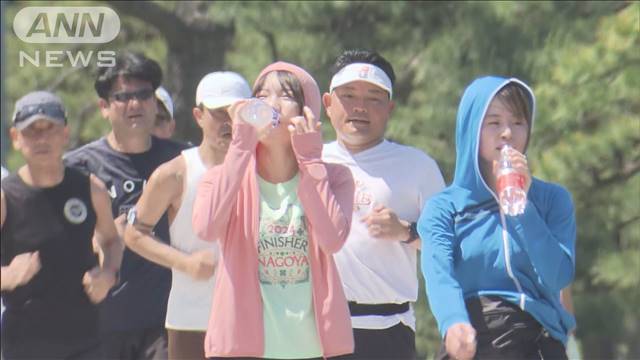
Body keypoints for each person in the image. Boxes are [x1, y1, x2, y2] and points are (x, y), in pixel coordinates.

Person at [192, 61, 355, 359]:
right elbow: (207, 228)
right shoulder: (221, 177)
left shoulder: (335, 178)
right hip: (241, 350)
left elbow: (332, 239)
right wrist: (241, 147)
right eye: (262, 95)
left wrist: (310, 159)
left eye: (287, 95)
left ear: (309, 112)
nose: (271, 104)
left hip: (315, 350)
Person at [418, 76, 576, 360]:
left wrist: (522, 206)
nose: (507, 133)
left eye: (518, 122)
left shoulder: (552, 199)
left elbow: (558, 277)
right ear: (471, 131)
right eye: (493, 123)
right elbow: (439, 274)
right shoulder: (444, 208)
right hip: (474, 335)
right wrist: (453, 322)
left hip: (536, 340)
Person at [321, 49, 445, 359]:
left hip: (387, 329)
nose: (359, 107)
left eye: (374, 98)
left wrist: (406, 231)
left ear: (389, 108)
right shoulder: (309, 162)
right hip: (313, 327)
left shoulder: (418, 166)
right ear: (327, 103)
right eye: (348, 95)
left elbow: (452, 246)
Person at [64, 51, 188, 359]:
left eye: (144, 94)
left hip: (166, 322)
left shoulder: (183, 160)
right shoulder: (77, 168)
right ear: (104, 107)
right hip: (99, 324)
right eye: (123, 97)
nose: (135, 104)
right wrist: (105, 237)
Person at [124, 71, 252, 359]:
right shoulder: (176, 173)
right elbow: (133, 233)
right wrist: (185, 263)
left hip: (253, 319)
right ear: (198, 115)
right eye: (220, 113)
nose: (230, 122)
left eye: (237, 112)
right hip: (192, 319)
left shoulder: (263, 168)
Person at [1, 91, 122, 359]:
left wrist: (108, 274)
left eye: (50, 129)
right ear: (15, 138)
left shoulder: (90, 189)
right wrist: (7, 276)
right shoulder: (6, 197)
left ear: (65, 134)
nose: (42, 138)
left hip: (85, 340)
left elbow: (112, 240)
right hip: (25, 343)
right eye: (32, 131)